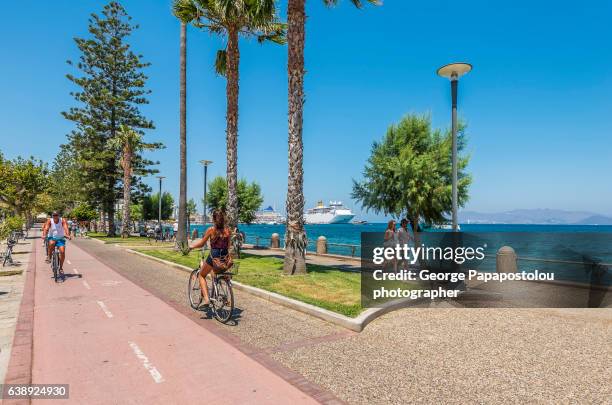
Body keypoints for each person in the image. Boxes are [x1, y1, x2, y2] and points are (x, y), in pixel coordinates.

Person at [189, 210, 231, 307]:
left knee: (202, 275)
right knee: (215, 274)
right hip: (224, 256)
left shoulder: (211, 230)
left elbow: (202, 244)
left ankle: (207, 299)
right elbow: (228, 246)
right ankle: (222, 295)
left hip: (214, 256)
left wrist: (192, 247)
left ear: (213, 219)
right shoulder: (228, 231)